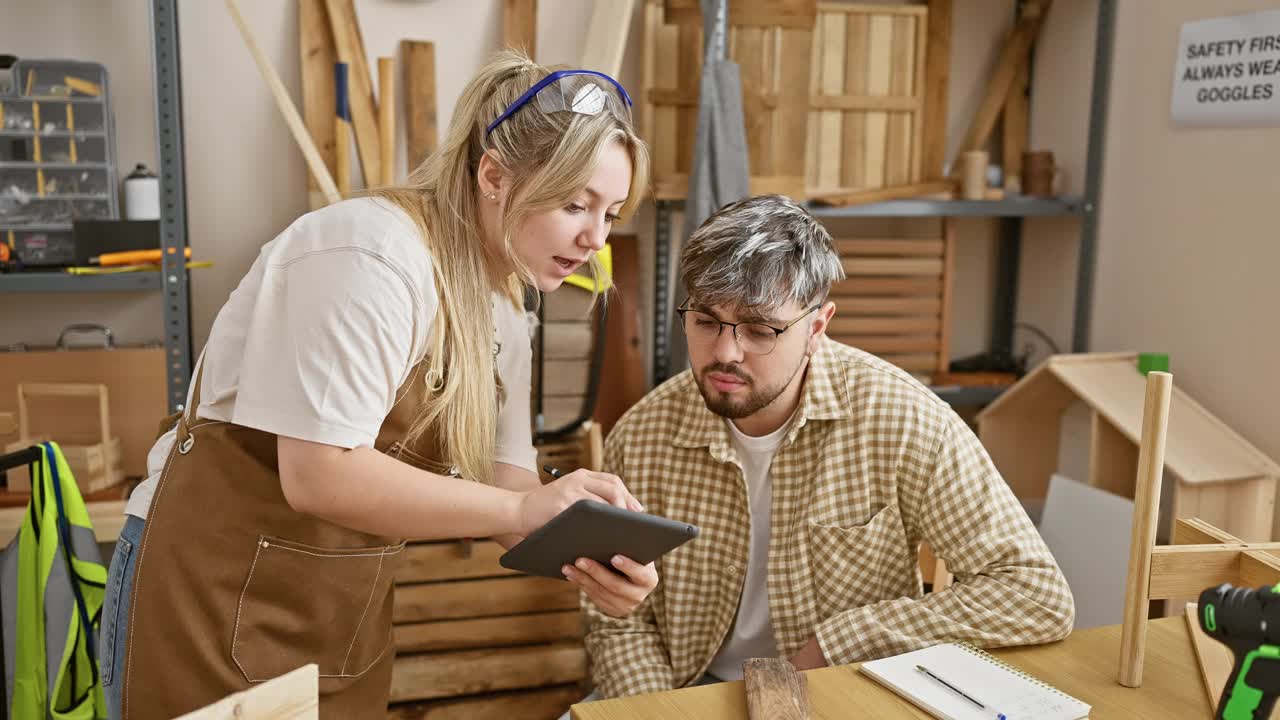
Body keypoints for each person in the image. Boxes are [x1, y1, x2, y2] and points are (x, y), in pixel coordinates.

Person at [99, 51, 656, 720]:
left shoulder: (504, 306)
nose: (596, 241)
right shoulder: (370, 255)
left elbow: (510, 487)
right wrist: (517, 513)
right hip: (207, 596)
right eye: (576, 205)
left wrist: (591, 553)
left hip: (338, 612)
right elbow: (320, 475)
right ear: (494, 175)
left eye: (611, 213)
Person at [579, 194, 1074, 701]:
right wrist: (662, 716)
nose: (725, 352)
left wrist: (841, 642)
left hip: (847, 687)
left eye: (759, 329)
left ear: (816, 327)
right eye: (705, 322)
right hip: (688, 692)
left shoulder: (902, 419)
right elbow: (620, 624)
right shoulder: (642, 436)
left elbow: (1034, 592)